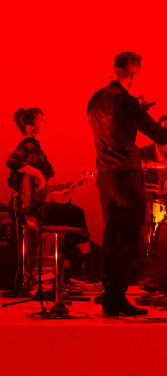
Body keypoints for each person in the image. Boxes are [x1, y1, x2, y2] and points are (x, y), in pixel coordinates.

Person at [87, 51, 167, 317]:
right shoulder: (127, 101)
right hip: (126, 178)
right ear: (133, 74)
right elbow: (159, 135)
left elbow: (111, 130)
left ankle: (110, 298)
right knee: (129, 239)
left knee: (110, 237)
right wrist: (141, 112)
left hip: (105, 179)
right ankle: (117, 297)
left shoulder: (95, 99)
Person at [6, 108, 99, 283]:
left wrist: (59, 192)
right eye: (40, 120)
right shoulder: (27, 146)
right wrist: (38, 174)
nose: (45, 122)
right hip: (27, 210)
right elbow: (11, 161)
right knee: (76, 213)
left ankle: (65, 273)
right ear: (29, 128)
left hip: (35, 205)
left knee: (71, 219)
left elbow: (37, 190)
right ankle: (89, 262)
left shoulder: (37, 149)